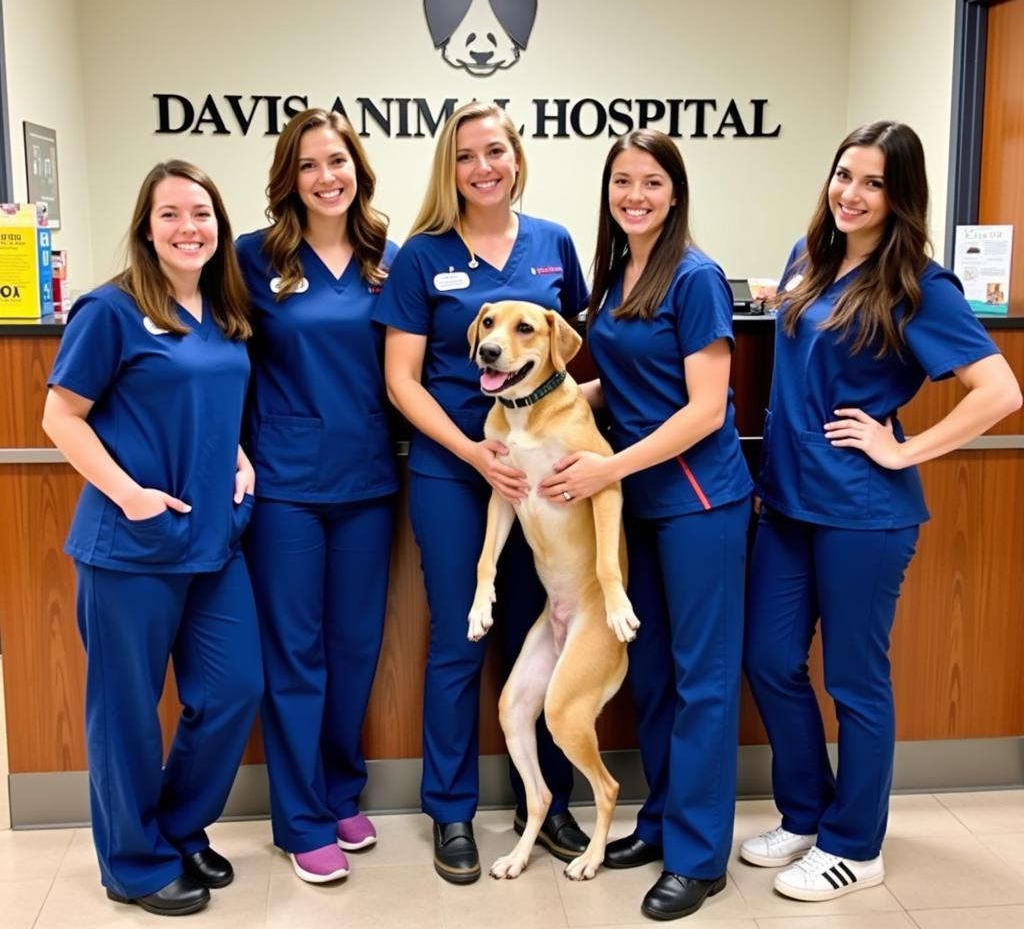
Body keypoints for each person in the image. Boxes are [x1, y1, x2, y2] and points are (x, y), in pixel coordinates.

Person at [740, 121, 1022, 901]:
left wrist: (904, 449)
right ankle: (806, 815)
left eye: (872, 183)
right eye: (843, 175)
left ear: (900, 197)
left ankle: (856, 845)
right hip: (788, 502)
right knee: (768, 659)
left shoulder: (921, 286)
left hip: (862, 512)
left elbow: (1001, 392)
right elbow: (803, 325)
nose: (851, 194)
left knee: (857, 682)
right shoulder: (811, 257)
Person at [538, 130, 752, 919]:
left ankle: (700, 859)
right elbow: (621, 387)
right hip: (636, 508)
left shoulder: (695, 279)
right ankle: (661, 825)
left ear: (675, 192)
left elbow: (703, 410)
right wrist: (541, 415)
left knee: (701, 683)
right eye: (622, 181)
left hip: (697, 504)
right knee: (653, 675)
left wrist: (606, 470)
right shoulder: (616, 272)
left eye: (652, 182)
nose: (635, 195)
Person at [376, 101, 591, 884]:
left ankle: (551, 802)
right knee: (460, 637)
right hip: (453, 471)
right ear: (450, 167)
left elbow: (573, 355)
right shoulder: (422, 256)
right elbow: (401, 379)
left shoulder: (553, 245)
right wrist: (475, 452)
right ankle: (452, 812)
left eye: (494, 151)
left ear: (516, 156)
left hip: (544, 476)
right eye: (466, 156)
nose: (482, 168)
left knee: (546, 632)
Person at [41, 160, 262, 917]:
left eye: (200, 213)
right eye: (170, 214)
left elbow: (211, 400)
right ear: (146, 227)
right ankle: (133, 865)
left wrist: (235, 456)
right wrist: (129, 494)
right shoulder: (110, 310)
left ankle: (175, 826)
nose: (188, 227)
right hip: (130, 547)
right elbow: (60, 418)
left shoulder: (226, 312)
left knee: (236, 689)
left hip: (213, 540)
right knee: (128, 712)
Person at [236, 108, 399, 884]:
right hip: (286, 487)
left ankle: (339, 790)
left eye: (337, 161)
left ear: (357, 169)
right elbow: (214, 350)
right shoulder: (251, 258)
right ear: (288, 178)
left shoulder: (386, 261)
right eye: (308, 165)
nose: (326, 177)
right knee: (295, 652)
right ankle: (299, 818)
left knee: (355, 647)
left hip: (367, 478)